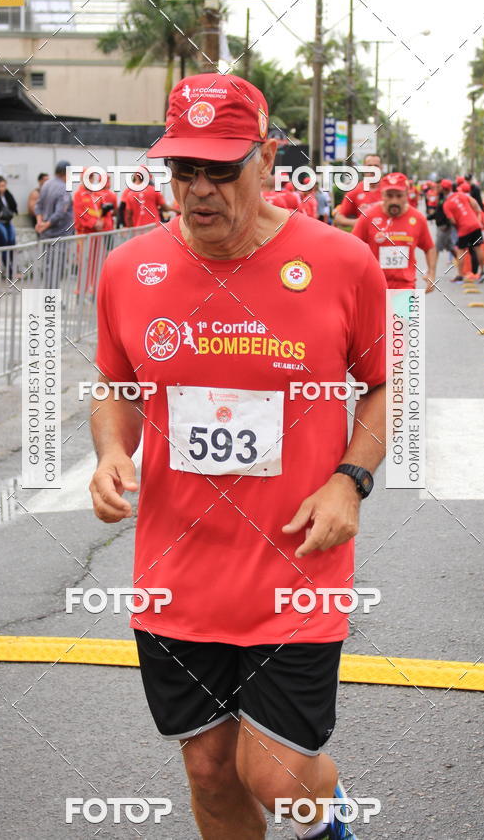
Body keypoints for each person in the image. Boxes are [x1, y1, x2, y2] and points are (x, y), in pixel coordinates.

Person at [91, 73, 388, 840]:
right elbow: (115, 386)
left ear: (267, 159)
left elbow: (386, 389)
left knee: (275, 775)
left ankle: (326, 824)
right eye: (182, 171)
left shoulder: (341, 262)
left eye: (220, 170)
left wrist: (349, 481)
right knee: (210, 772)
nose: (198, 191)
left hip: (296, 565)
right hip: (177, 573)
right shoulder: (128, 269)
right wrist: (109, 453)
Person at [352, 172, 437, 293]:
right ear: (382, 194)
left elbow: (430, 248)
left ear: (407, 194)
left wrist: (431, 273)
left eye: (399, 196)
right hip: (372, 286)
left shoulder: (418, 218)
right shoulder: (368, 217)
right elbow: (352, 248)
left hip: (406, 286)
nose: (394, 201)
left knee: (407, 311)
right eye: (389, 195)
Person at [35, 160, 74, 288]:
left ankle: (48, 299)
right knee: (57, 268)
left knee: (48, 267)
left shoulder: (46, 184)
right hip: (58, 234)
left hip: (46, 234)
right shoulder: (64, 188)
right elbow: (60, 213)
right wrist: (46, 225)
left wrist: (40, 222)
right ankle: (51, 301)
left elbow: (38, 205)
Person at [443, 181, 484, 282]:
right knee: (478, 248)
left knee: (460, 251)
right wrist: (477, 215)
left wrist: (458, 225)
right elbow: (475, 203)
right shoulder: (461, 194)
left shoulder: (446, 204)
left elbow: (452, 220)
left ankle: (460, 275)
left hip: (463, 227)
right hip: (475, 224)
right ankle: (483, 272)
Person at [333, 153, 383, 230]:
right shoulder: (355, 191)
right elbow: (338, 218)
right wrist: (357, 222)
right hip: (364, 240)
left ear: (381, 168)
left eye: (376, 166)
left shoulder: (390, 189)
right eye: (369, 166)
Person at [434, 179, 458, 263]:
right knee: (451, 247)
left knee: (435, 249)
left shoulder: (450, 198)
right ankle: (461, 262)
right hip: (441, 225)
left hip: (444, 226)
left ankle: (431, 272)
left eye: (438, 186)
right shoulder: (441, 196)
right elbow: (439, 211)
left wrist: (447, 225)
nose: (436, 188)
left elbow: (451, 213)